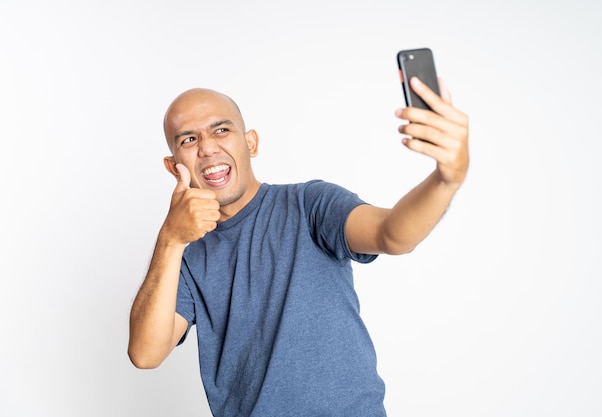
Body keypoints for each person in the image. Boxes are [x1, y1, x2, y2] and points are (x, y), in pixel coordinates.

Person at [128, 76, 469, 416]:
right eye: (189, 139)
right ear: (174, 167)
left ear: (251, 143)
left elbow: (391, 234)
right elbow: (146, 353)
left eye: (221, 131)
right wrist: (170, 240)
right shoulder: (187, 258)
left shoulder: (310, 205)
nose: (207, 148)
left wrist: (446, 179)